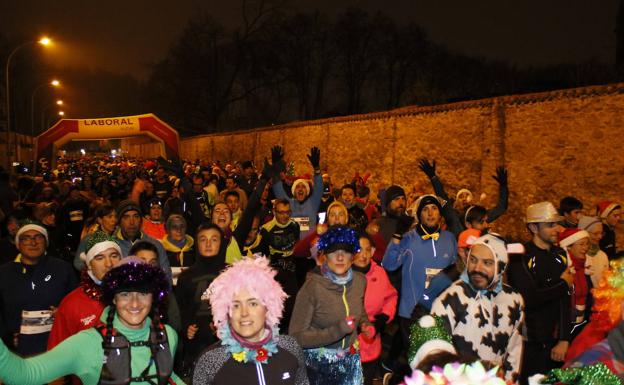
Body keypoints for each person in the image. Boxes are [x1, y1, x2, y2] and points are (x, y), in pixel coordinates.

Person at [0, 258, 184, 385]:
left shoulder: (168, 334)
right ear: (113, 299)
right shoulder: (87, 343)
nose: (135, 303)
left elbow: (168, 376)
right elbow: (25, 374)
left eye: (143, 293)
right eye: (125, 294)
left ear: (153, 298)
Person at [192, 257, 309, 385]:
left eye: (253, 303)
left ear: (268, 307)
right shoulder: (211, 360)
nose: (244, 313)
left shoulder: (290, 348)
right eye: (235, 305)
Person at [431, 233, 525, 382]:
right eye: (473, 260)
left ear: (501, 266)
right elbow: (434, 353)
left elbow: (514, 351)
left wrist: (510, 381)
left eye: (487, 263)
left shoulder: (513, 299)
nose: (477, 268)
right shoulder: (452, 298)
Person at [289, 226, 372, 385]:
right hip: (319, 367)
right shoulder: (312, 287)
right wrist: (337, 331)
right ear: (324, 256)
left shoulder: (360, 281)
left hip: (350, 362)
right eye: (334, 252)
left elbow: (358, 309)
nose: (340, 257)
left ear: (352, 256)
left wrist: (365, 324)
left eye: (346, 252)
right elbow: (296, 336)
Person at [507, 201, 574, 383]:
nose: (557, 229)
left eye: (557, 224)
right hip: (528, 343)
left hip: (554, 343)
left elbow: (565, 300)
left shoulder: (559, 253)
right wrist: (563, 284)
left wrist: (564, 339)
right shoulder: (519, 256)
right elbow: (529, 297)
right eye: (550, 225)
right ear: (534, 227)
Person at [47, 231, 122, 385]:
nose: (109, 264)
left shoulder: (138, 296)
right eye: (99, 258)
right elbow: (56, 357)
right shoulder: (72, 303)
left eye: (114, 255)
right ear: (89, 265)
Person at [382, 195, 457, 344]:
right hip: (412, 312)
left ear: (440, 214)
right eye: (425, 209)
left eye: (434, 209)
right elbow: (389, 264)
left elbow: (455, 273)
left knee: (439, 362)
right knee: (415, 363)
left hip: (442, 312)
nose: (430, 213)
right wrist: (398, 234)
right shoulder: (409, 238)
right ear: (419, 215)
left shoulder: (449, 238)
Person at [0, 221, 77, 356]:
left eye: (38, 237)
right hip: (15, 350)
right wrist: (5, 337)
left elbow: (77, 302)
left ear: (46, 242)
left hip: (57, 346)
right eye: (26, 238)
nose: (33, 242)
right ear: (18, 244)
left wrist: (64, 311)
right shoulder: (4, 273)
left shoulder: (63, 268)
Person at [175, 223, 227, 378]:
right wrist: (186, 328)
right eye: (203, 239)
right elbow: (181, 310)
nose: (209, 244)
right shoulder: (185, 277)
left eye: (214, 239)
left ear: (221, 243)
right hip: (196, 347)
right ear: (197, 244)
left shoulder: (232, 272)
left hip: (227, 344)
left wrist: (224, 325)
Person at [352, 233, 397, 385]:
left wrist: (384, 318)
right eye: (358, 250)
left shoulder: (379, 273)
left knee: (367, 379)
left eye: (367, 250)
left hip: (372, 340)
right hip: (347, 342)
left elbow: (391, 296)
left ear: (372, 252)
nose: (363, 255)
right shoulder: (342, 273)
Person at [254, 198, 300, 331]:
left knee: (292, 305)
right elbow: (261, 255)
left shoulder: (294, 226)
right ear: (274, 212)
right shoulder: (266, 229)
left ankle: (289, 332)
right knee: (275, 306)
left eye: (287, 212)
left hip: (292, 270)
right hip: (275, 272)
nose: (284, 216)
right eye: (281, 212)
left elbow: (297, 246)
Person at [270, 146, 323, 240]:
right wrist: (275, 167)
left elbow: (319, 187)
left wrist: (317, 169)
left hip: (310, 247)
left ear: (307, 191)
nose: (300, 189)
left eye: (304, 187)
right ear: (293, 191)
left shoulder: (313, 203)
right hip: (291, 247)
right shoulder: (288, 203)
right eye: (297, 187)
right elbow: (278, 188)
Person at [558, 228, 593, 337]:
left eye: (587, 244)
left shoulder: (585, 268)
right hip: (564, 329)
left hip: (581, 325)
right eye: (581, 244)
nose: (586, 248)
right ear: (568, 246)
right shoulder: (563, 269)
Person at [577, 216, 609, 286]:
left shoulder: (602, 255)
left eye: (601, 233)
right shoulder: (577, 256)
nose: (600, 237)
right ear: (584, 233)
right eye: (596, 233)